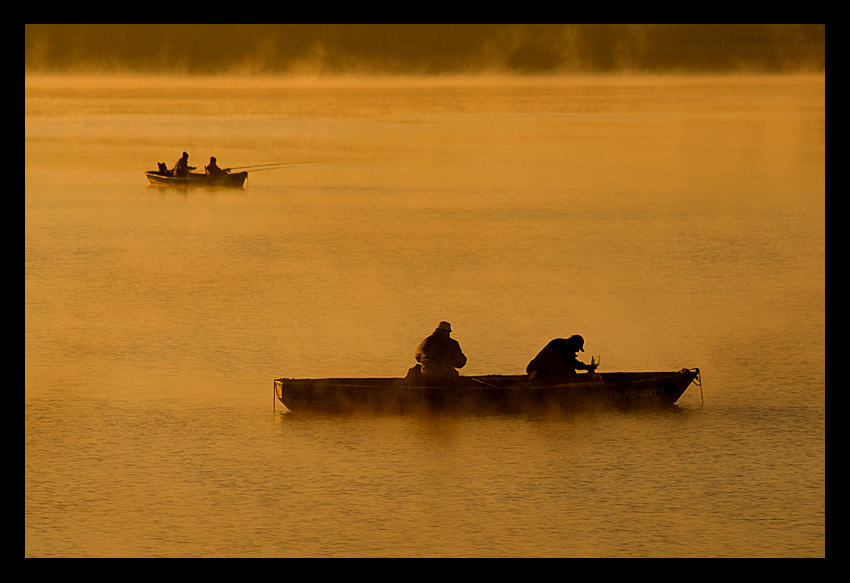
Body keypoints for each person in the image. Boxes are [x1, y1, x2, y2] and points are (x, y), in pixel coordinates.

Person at [526, 334, 597, 385]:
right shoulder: (562, 347)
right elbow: (572, 363)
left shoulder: (560, 343)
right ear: (574, 344)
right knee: (569, 374)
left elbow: (571, 362)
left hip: (536, 373)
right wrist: (587, 367)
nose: (577, 351)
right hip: (538, 376)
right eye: (577, 348)